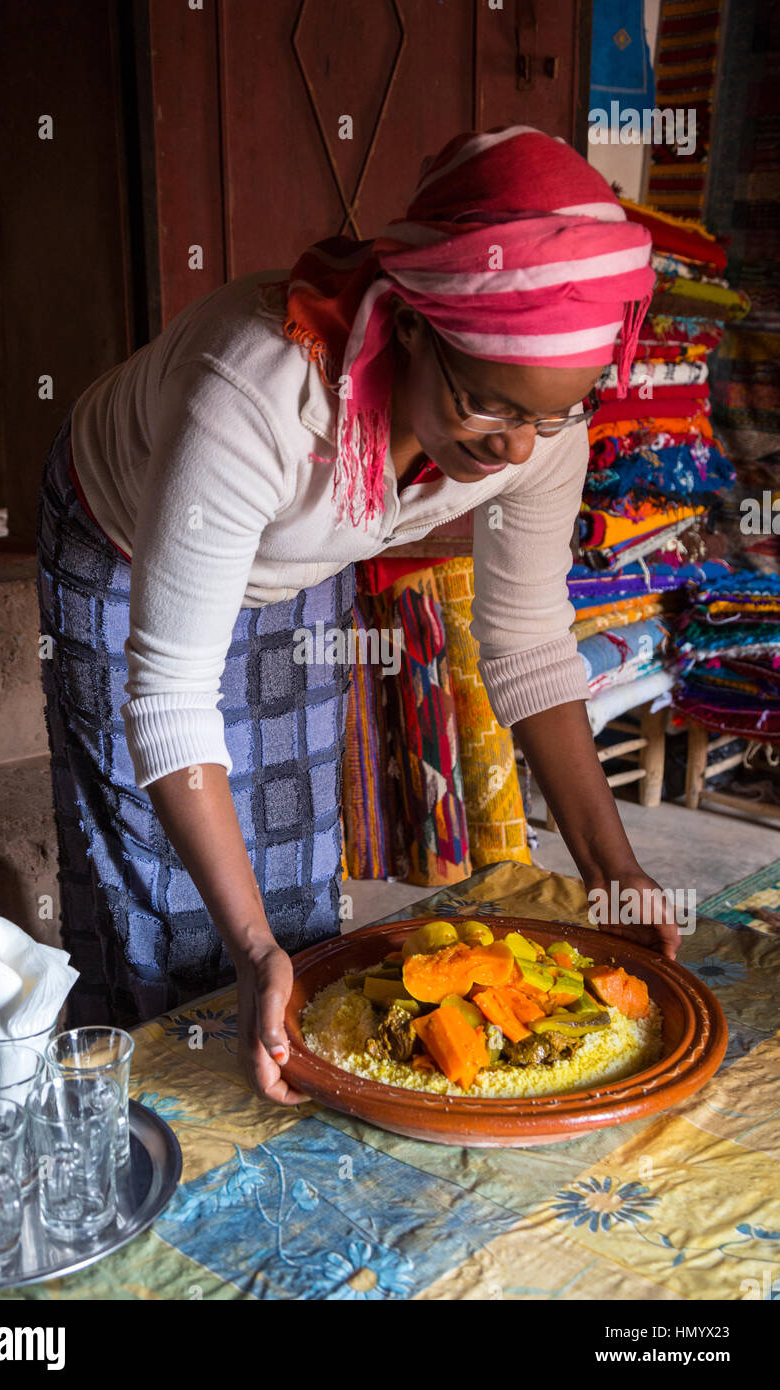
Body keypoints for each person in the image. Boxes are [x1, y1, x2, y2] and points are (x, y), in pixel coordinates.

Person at [36, 124, 676, 1109]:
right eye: (485, 407)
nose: (514, 450)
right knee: (160, 892)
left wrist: (614, 870)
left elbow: (528, 643)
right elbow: (167, 694)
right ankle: (154, 1127)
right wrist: (249, 953)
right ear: (411, 325)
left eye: (547, 416)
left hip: (294, 551)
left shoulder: (539, 424)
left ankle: (278, 1078)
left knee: (293, 874)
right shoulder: (253, 393)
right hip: (120, 535)